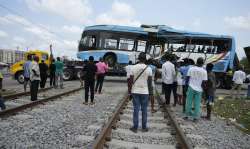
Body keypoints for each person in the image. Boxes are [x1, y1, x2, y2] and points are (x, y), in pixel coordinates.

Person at [128, 52, 153, 133]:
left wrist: (129, 92)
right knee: (144, 110)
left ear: (138, 59)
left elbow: (130, 81)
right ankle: (144, 127)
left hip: (135, 91)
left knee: (136, 109)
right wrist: (151, 94)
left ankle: (135, 127)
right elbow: (149, 83)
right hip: (145, 92)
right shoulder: (149, 69)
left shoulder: (133, 67)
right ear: (145, 59)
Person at [184, 57, 207, 122]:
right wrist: (204, 90)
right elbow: (204, 82)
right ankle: (195, 118)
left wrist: (186, 87)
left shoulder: (191, 69)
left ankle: (186, 116)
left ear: (196, 62)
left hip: (191, 87)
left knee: (188, 102)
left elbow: (187, 79)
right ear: (202, 63)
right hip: (199, 89)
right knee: (197, 103)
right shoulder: (204, 71)